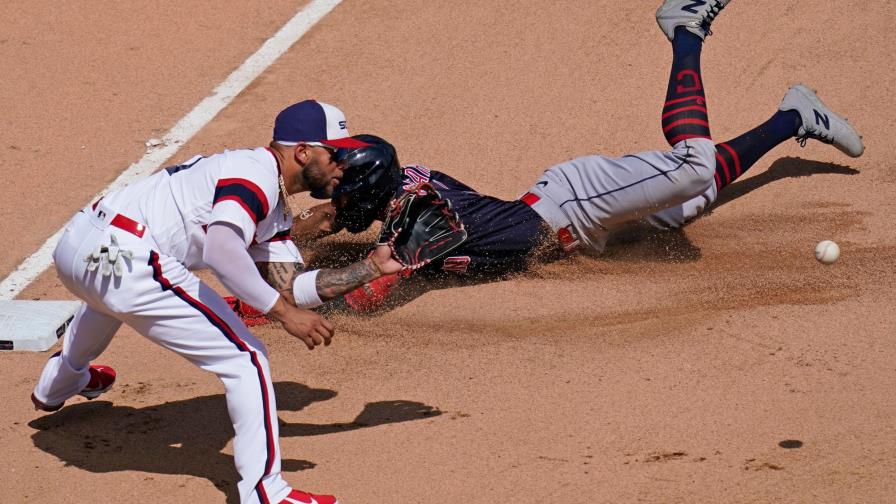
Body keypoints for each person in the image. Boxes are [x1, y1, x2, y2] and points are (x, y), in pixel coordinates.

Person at [289, 0, 864, 313]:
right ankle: (795, 116)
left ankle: (685, 27)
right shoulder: (398, 195)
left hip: (575, 204)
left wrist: (275, 299)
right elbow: (332, 218)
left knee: (690, 167)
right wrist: (283, 240)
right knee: (695, 196)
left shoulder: (421, 222)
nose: (332, 190)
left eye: (338, 184)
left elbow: (363, 290)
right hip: (578, 234)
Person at [31, 99, 402, 504]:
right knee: (247, 359)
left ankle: (58, 384)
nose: (342, 166)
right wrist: (281, 315)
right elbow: (222, 250)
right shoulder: (254, 175)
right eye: (335, 154)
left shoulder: (270, 204)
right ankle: (266, 491)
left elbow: (290, 286)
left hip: (78, 247)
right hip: (127, 258)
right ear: (302, 151)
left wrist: (373, 267)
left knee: (108, 298)